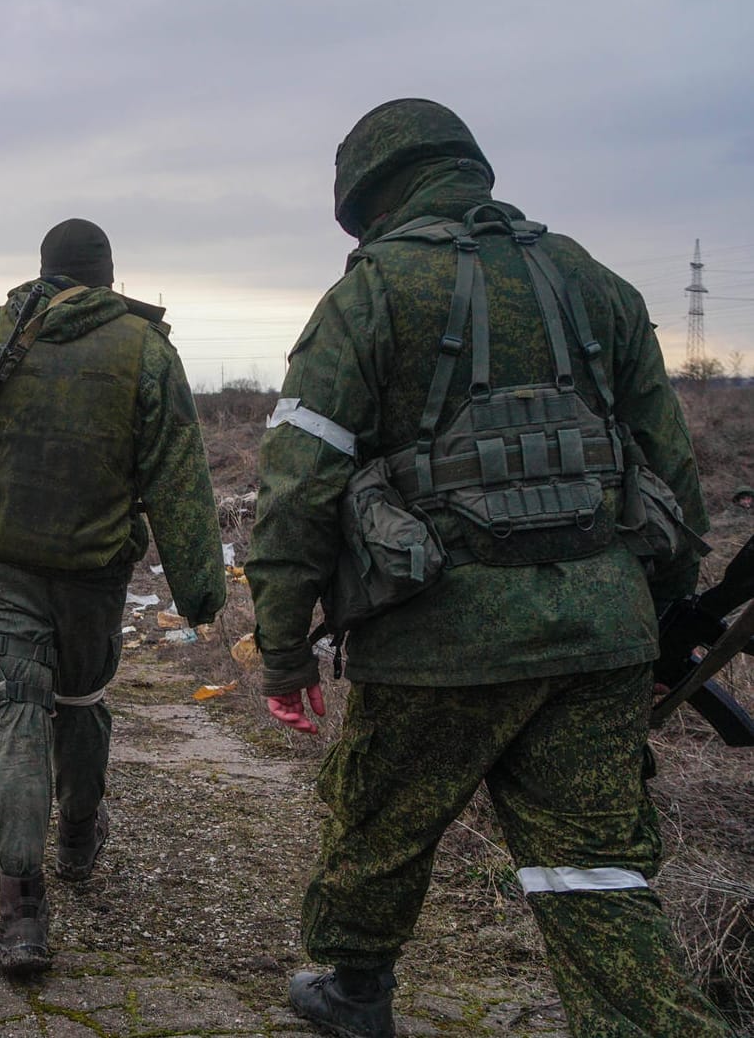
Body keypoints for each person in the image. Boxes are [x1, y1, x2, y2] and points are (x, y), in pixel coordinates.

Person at [247, 99, 731, 1037]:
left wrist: (282, 652)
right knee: (593, 864)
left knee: (379, 824)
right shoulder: (595, 281)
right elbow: (671, 472)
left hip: (439, 637)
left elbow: (299, 487)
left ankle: (353, 994)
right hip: (603, 628)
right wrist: (662, 617)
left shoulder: (372, 293)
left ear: (366, 194)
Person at [0, 219, 225, 975]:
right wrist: (200, 594)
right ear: (109, 276)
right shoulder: (146, 349)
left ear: (42, 269)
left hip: (2, 565)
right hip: (94, 576)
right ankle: (77, 841)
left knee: (14, 712)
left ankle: (20, 919)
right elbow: (179, 481)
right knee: (79, 704)